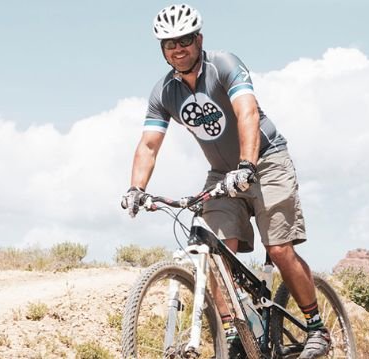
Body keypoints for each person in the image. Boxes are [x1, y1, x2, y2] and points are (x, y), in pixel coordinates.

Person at [120, 4, 330, 358]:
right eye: (169, 43)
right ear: (162, 49)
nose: (178, 48)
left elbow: (246, 112)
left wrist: (247, 165)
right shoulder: (164, 92)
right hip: (221, 174)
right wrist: (135, 189)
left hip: (265, 160)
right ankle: (235, 330)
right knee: (211, 253)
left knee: (279, 249)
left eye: (185, 39)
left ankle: (315, 327)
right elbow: (149, 144)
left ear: (198, 39)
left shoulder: (224, 65)